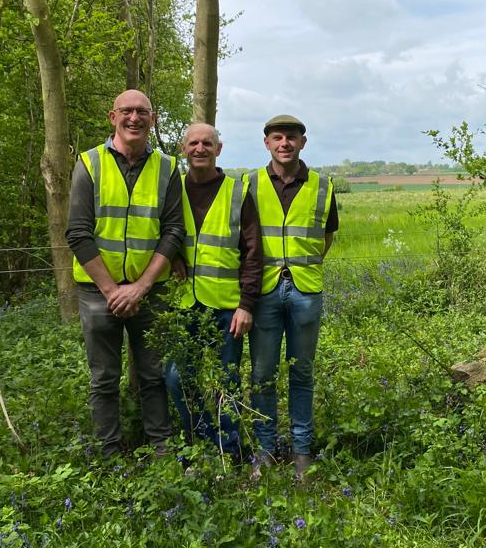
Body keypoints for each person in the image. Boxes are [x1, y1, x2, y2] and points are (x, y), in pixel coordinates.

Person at [66, 90, 184, 459]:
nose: (134, 118)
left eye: (142, 112)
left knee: (153, 374)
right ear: (112, 116)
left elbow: (174, 231)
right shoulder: (89, 163)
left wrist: (140, 287)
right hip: (97, 292)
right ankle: (109, 453)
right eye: (127, 111)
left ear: (153, 119)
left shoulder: (167, 167)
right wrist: (113, 290)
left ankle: (161, 448)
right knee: (104, 378)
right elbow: (78, 233)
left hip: (151, 291)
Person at [248, 114, 338, 479]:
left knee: (302, 374)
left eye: (292, 138)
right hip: (264, 290)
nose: (285, 143)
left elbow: (326, 238)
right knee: (261, 374)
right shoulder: (249, 184)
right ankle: (265, 451)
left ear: (303, 143)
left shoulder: (322, 186)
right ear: (267, 143)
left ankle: (302, 453)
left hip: (304, 290)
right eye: (278, 137)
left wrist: (301, 267)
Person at [165, 123, 262, 458]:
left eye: (208, 143)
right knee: (178, 379)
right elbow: (158, 234)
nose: (200, 149)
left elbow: (253, 253)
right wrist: (174, 256)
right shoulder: (171, 188)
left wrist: (247, 304)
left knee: (228, 383)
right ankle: (204, 442)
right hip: (184, 304)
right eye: (193, 143)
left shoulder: (237, 192)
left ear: (219, 149)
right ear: (183, 149)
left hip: (227, 307)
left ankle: (229, 451)